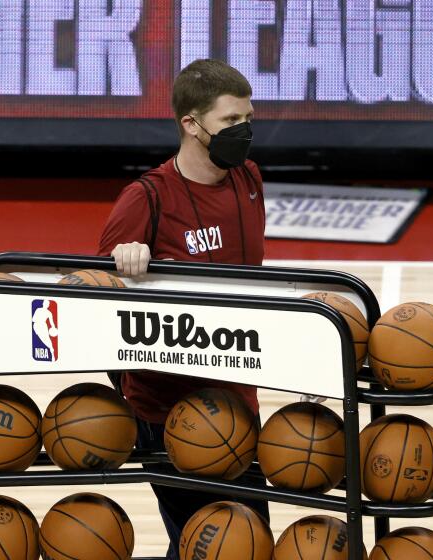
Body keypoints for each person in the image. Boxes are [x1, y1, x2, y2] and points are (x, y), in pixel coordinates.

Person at [97, 58, 268, 560]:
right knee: (220, 546)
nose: (245, 131)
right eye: (231, 121)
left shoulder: (249, 180)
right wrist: (124, 263)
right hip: (173, 412)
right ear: (191, 125)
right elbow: (92, 299)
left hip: (240, 395)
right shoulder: (145, 197)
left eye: (247, 119)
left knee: (245, 544)